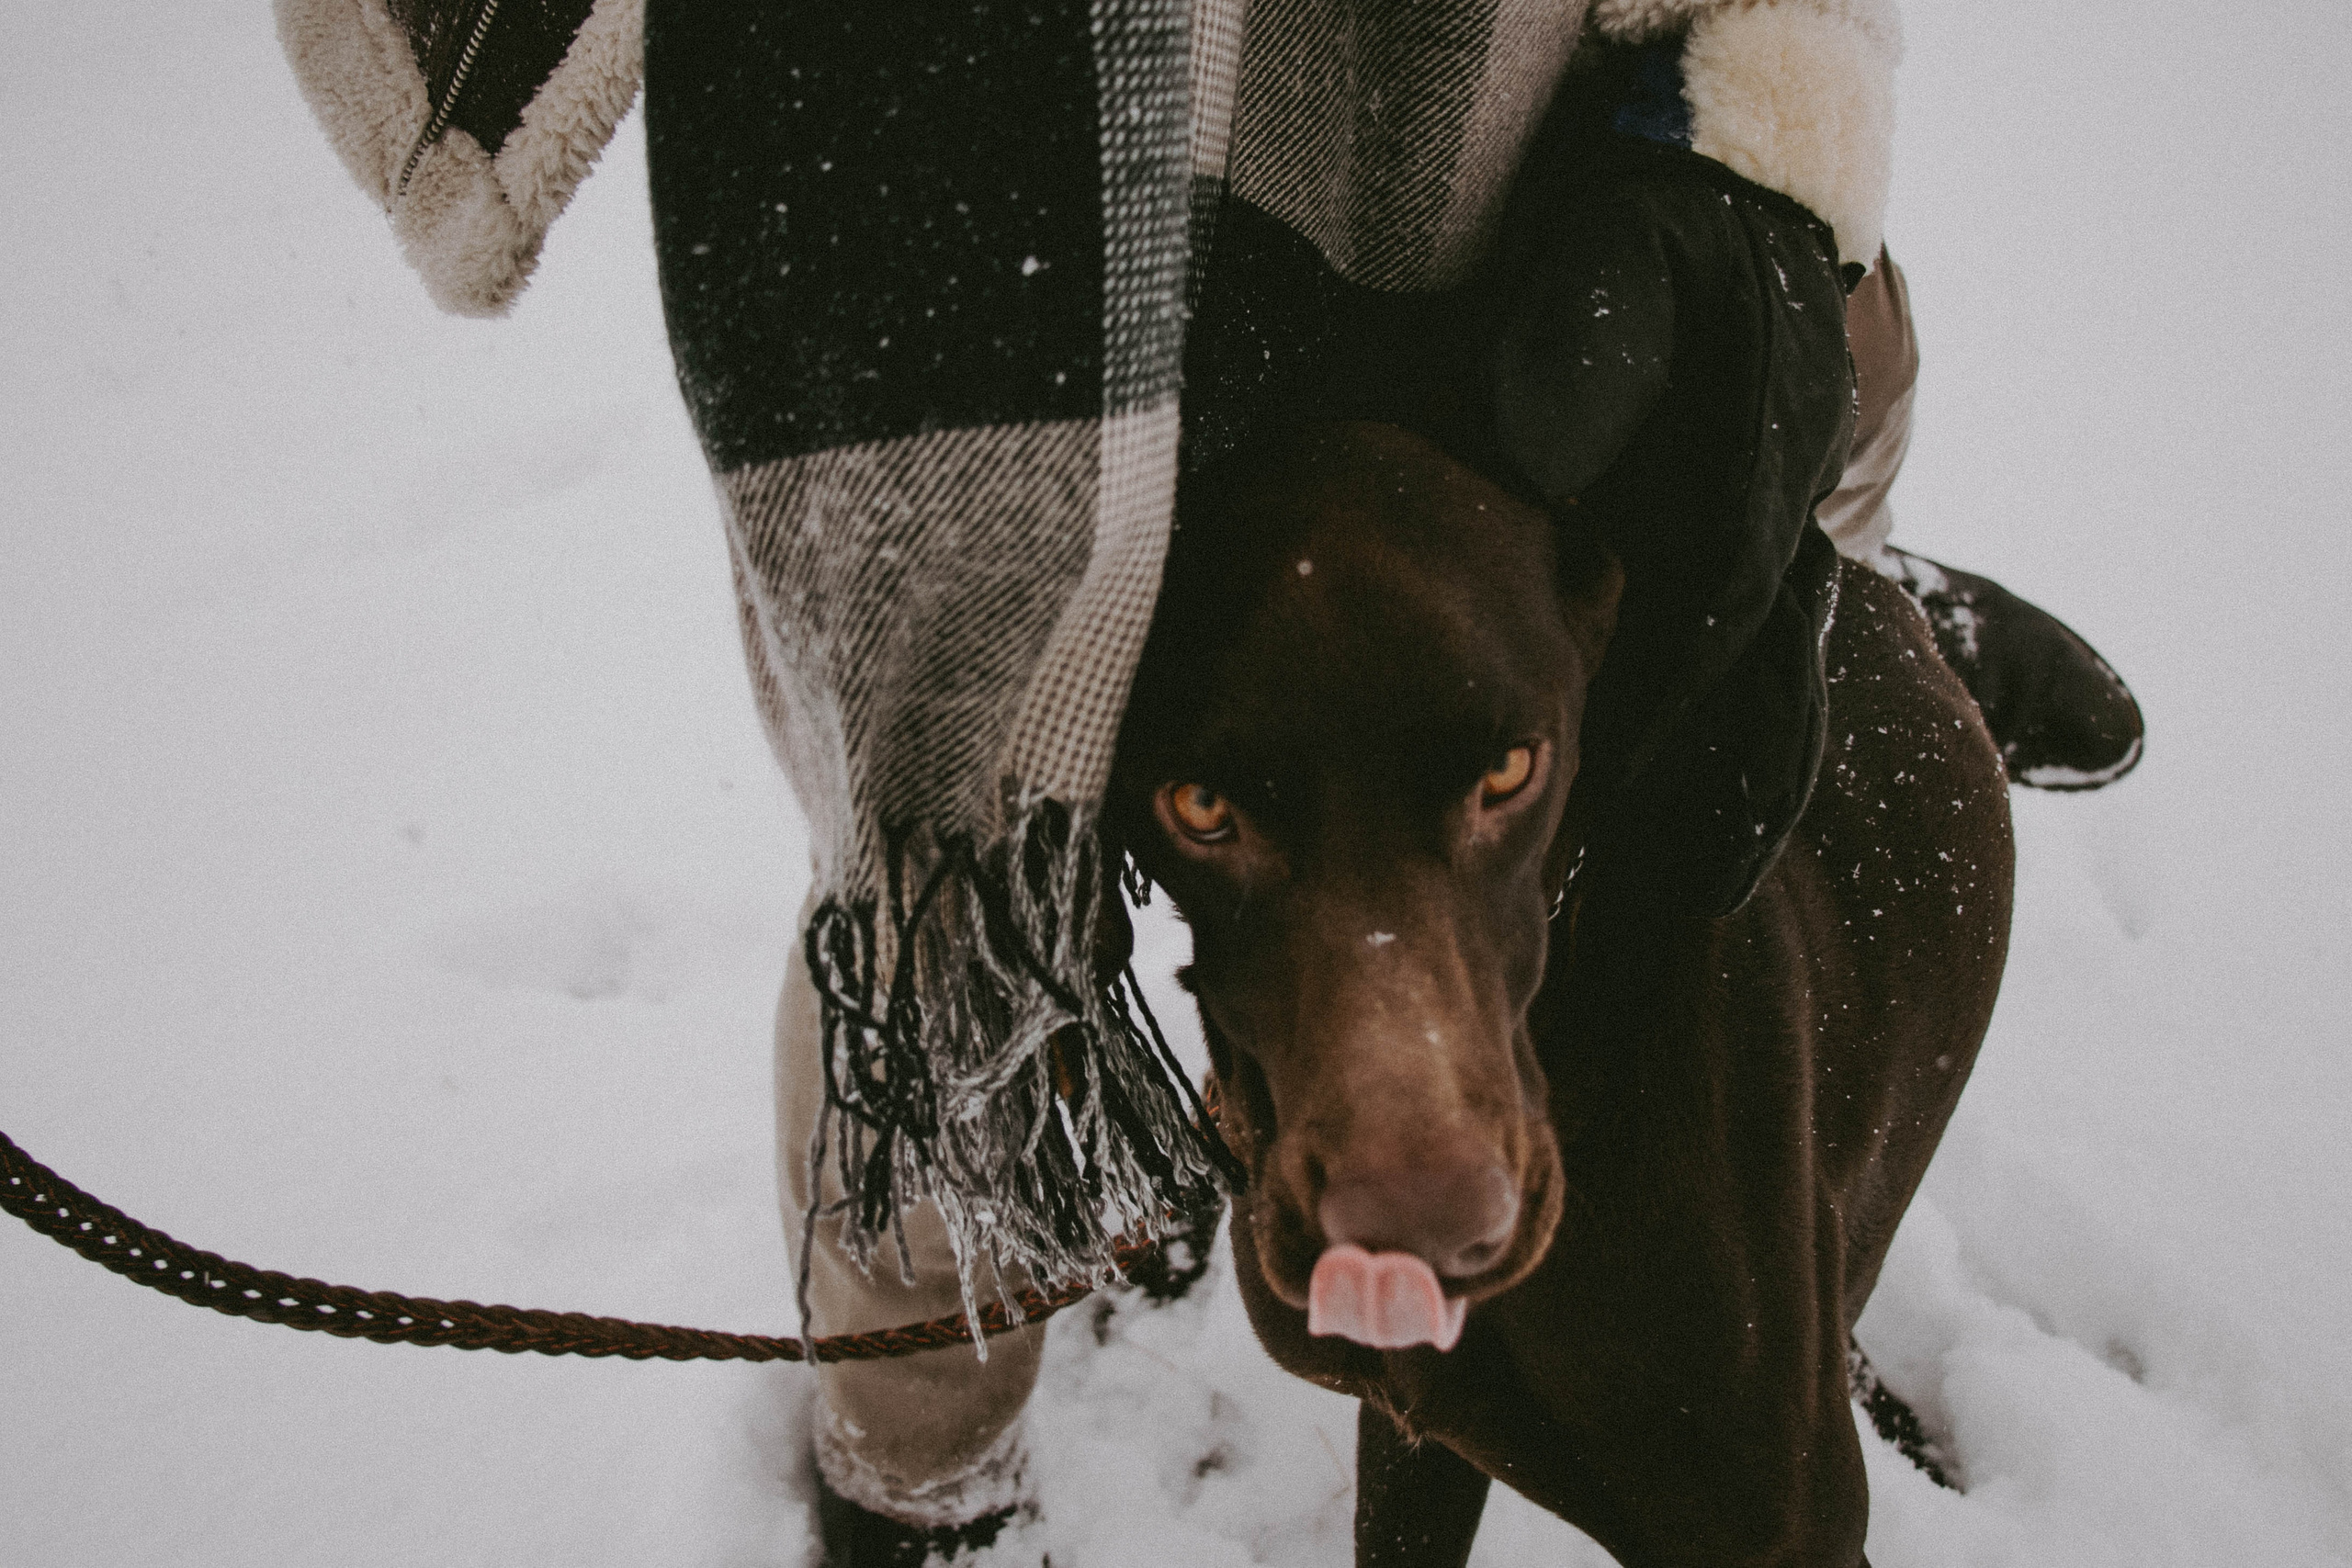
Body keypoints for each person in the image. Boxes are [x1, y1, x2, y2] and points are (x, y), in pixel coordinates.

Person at [277, 0, 2139, 1561]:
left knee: (1785, 359)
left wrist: (1732, 130)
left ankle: (1863, 614)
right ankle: (921, 1478)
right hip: (1002, 147)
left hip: (1502, 79)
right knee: (948, 874)